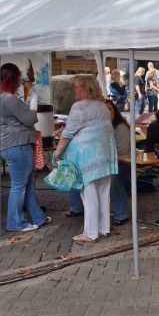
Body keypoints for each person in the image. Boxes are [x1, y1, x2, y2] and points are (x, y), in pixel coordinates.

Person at [54, 75, 117, 242]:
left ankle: (90, 233)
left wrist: (56, 153)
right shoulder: (103, 107)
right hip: (105, 156)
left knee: (89, 195)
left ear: (84, 89)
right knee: (103, 193)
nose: (75, 91)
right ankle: (104, 228)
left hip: (87, 157)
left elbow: (68, 134)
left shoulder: (79, 107)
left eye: (76, 88)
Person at [0, 63, 50, 232]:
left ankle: (38, 217)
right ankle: (16, 223)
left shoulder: (1, 97)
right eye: (19, 78)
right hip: (18, 145)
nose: (21, 81)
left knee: (25, 184)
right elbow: (29, 119)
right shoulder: (9, 98)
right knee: (19, 186)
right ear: (14, 79)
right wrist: (34, 102)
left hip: (11, 145)